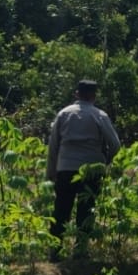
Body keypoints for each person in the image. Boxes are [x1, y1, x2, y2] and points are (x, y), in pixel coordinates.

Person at [46, 79, 121, 247]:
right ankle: (81, 250)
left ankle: (55, 249)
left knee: (61, 210)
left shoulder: (64, 114)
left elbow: (53, 146)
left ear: (77, 94)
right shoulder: (99, 115)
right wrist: (105, 162)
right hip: (91, 170)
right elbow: (115, 145)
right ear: (94, 96)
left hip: (65, 168)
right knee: (86, 211)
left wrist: (51, 173)